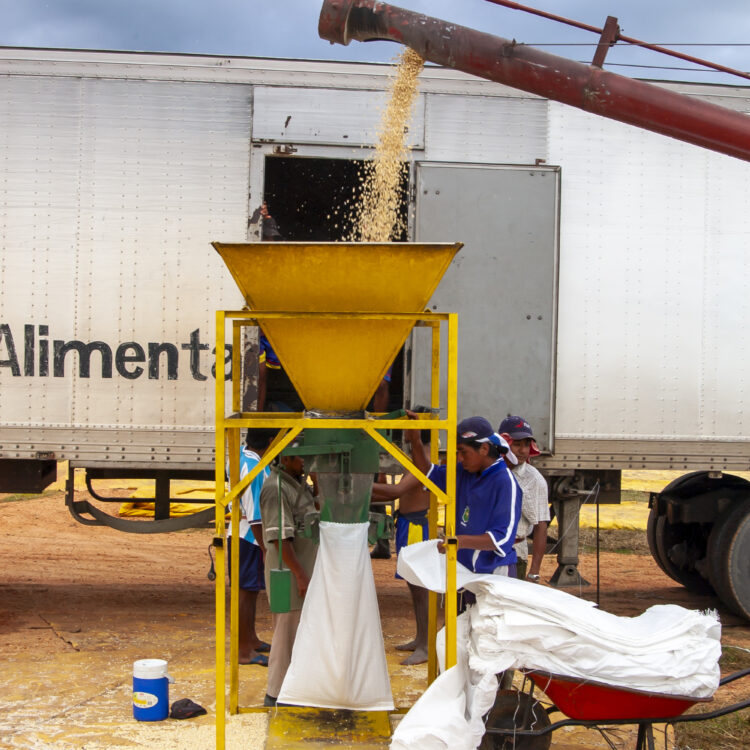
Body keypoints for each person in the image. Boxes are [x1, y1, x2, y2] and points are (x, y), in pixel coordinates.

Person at [259, 444, 318, 707]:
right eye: (300, 457)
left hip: (298, 573)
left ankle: (291, 689)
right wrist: (300, 575)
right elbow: (280, 539)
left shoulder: (296, 483)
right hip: (288, 575)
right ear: (285, 457)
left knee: (296, 633)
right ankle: (275, 695)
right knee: (285, 634)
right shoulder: (276, 488)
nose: (305, 462)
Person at [371, 411, 432, 665]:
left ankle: (427, 646)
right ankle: (421, 638)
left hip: (418, 525)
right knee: (413, 587)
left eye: (407, 429)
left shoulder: (426, 457)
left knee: (422, 588)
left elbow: (395, 492)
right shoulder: (418, 456)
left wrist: (357, 486)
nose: (404, 434)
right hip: (408, 524)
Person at [226, 428, 277, 666]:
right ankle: (243, 649)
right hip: (249, 536)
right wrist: (266, 548)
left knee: (250, 590)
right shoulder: (256, 469)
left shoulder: (242, 456)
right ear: (270, 440)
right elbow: (256, 514)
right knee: (245, 592)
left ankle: (251, 640)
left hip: (242, 533)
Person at [499, 416, 550, 583]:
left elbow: (541, 525)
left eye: (526, 445)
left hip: (514, 555)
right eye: (517, 444)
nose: (522, 450)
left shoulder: (534, 479)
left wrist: (534, 572)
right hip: (482, 552)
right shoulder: (490, 471)